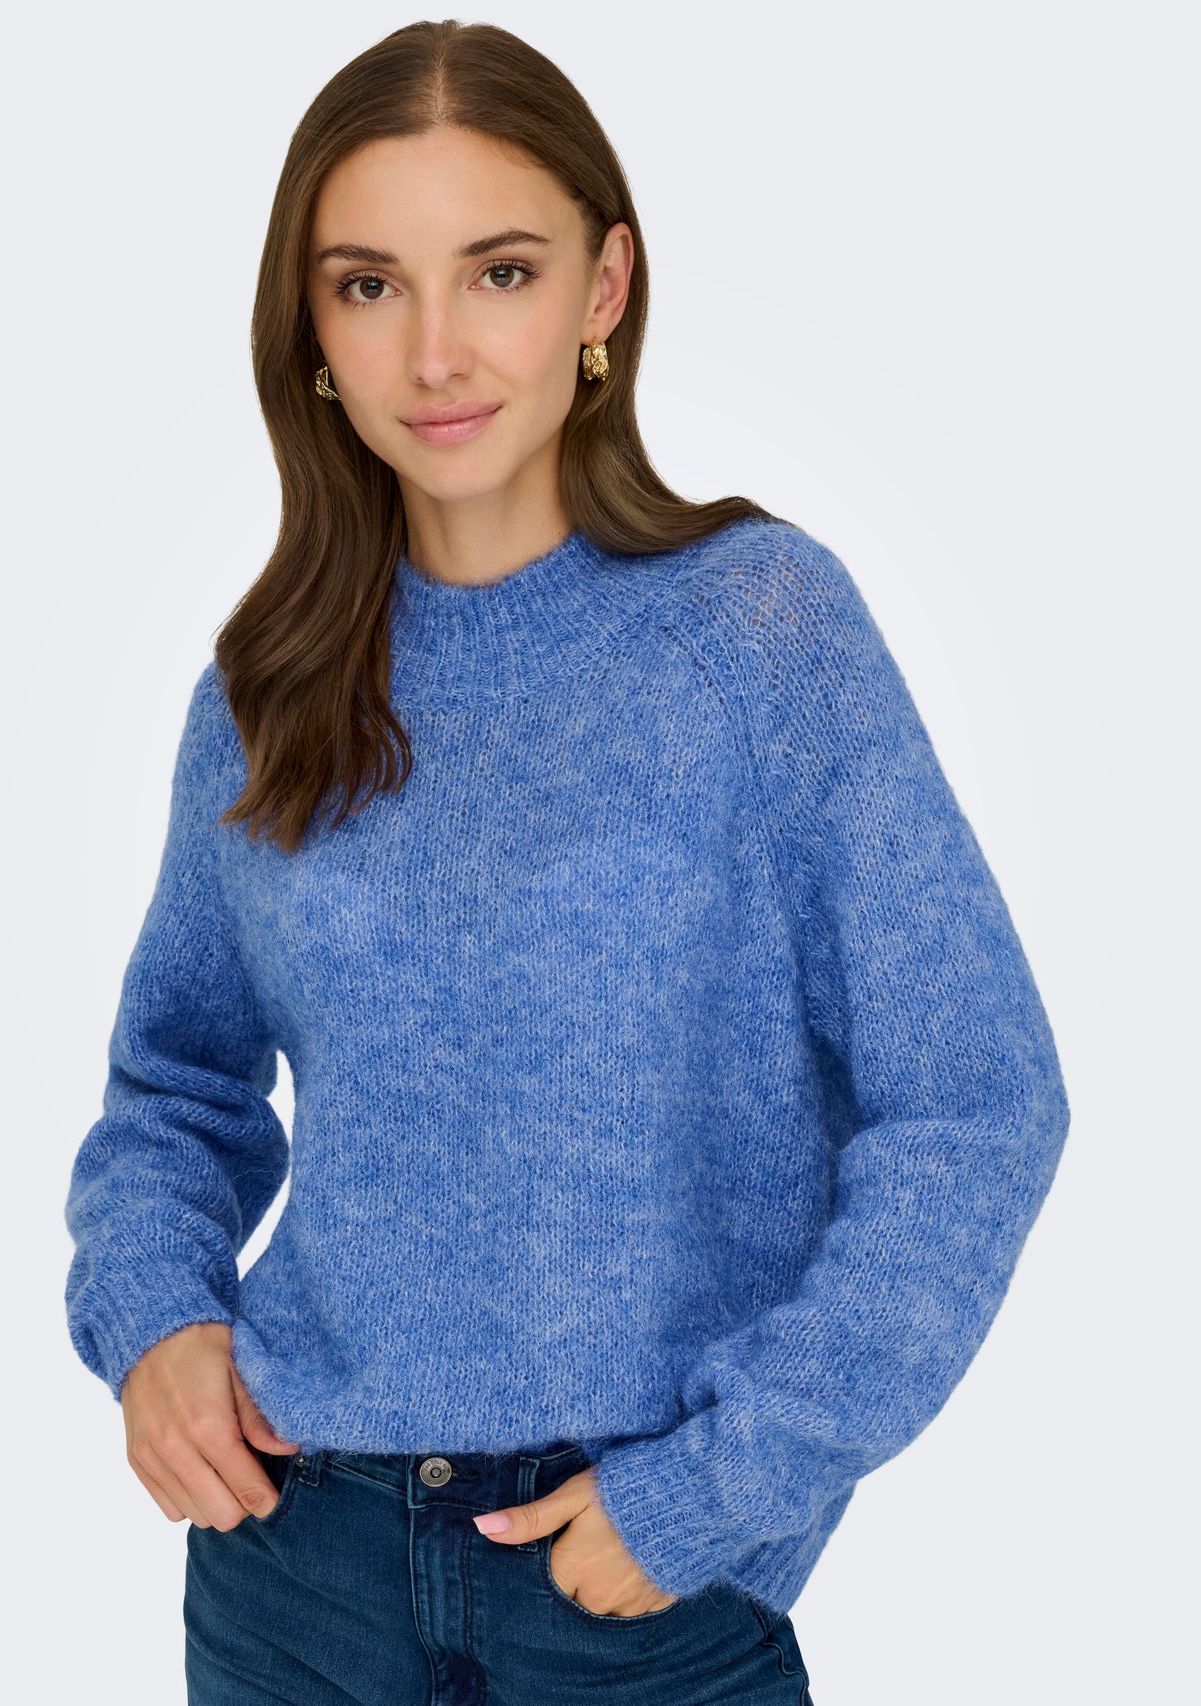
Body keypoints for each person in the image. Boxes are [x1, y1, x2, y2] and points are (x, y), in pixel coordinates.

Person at [63, 19, 1069, 1705]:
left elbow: (977, 1100)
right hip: (293, 1576)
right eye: (369, 284)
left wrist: (726, 1482)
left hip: (631, 1588)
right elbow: (176, 1082)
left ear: (604, 287)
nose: (436, 350)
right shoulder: (268, 689)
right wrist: (155, 1316)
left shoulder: (760, 633)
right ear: (311, 328)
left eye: (502, 272)